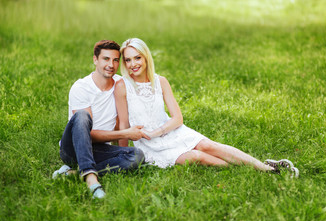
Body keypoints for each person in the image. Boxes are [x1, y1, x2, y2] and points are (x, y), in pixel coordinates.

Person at [114, 38, 299, 177]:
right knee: (196, 156)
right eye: (128, 60)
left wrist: (157, 132)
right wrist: (124, 156)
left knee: (208, 145)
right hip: (148, 144)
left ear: (146, 57)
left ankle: (266, 168)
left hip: (169, 131)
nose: (133, 64)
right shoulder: (123, 86)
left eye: (137, 58)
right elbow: (123, 125)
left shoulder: (160, 81)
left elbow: (177, 118)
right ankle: (245, 169)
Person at [52, 40, 149, 199]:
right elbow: (86, 134)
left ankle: (74, 173)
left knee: (137, 156)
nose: (111, 64)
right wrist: (125, 133)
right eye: (106, 59)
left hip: (100, 149)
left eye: (115, 60)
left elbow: (121, 123)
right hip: (74, 148)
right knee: (82, 116)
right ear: (95, 60)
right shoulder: (81, 87)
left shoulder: (120, 84)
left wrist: (124, 140)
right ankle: (91, 180)